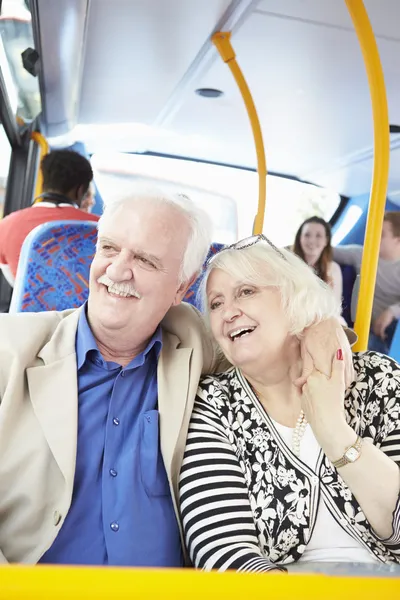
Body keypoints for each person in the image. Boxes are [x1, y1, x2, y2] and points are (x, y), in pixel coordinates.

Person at [0, 191, 353, 565]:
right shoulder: (10, 351)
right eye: (109, 248)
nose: (117, 271)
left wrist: (322, 324)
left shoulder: (197, 341)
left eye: (145, 260)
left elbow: (279, 340)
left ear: (182, 288)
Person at [179, 234, 400, 573]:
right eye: (216, 304)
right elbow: (224, 554)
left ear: (294, 296)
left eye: (246, 292)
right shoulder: (213, 404)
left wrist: (334, 433)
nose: (228, 313)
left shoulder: (379, 378)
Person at [0, 149, 99, 287]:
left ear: (44, 183)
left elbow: (16, 285)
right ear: (80, 190)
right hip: (85, 308)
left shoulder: (6, 226)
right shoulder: (101, 226)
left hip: (29, 309)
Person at [333, 211, 400, 353]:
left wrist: (391, 312)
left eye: (381, 234)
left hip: (392, 331)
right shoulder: (361, 254)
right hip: (368, 332)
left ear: (398, 240)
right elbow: (326, 250)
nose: (373, 237)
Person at [293, 216, 343, 307]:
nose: (312, 241)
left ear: (326, 241)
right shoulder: (288, 263)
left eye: (318, 236)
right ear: (300, 238)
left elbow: (335, 307)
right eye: (307, 235)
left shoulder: (333, 269)